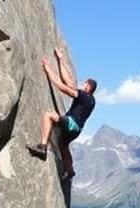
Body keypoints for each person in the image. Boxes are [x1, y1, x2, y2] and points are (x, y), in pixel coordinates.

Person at [28, 47, 97, 180]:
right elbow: (69, 83)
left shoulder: (83, 96)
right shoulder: (91, 100)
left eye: (84, 85)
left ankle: (42, 146)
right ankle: (70, 171)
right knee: (63, 145)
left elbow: (62, 87)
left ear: (88, 87)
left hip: (72, 124)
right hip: (77, 130)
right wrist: (60, 59)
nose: (82, 86)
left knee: (48, 115)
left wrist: (48, 71)